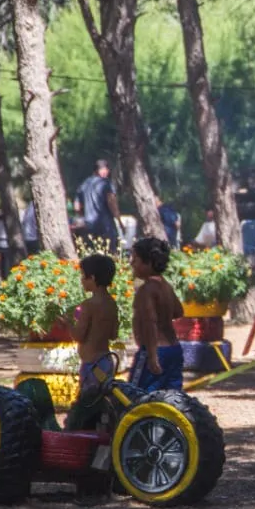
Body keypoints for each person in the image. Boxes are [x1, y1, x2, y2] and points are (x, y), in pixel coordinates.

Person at [64, 254, 120, 431]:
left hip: (91, 365)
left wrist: (67, 323)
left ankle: (85, 433)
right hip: (106, 362)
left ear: (93, 278)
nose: (82, 281)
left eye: (83, 276)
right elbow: (113, 334)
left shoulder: (88, 305)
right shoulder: (112, 304)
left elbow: (79, 336)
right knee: (103, 402)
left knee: (87, 404)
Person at [128, 237, 185, 391]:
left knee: (137, 396)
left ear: (149, 262)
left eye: (135, 259)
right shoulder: (165, 285)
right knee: (172, 397)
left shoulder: (146, 290)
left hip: (154, 351)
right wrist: (164, 313)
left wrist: (152, 356)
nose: (132, 263)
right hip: (173, 349)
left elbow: (150, 323)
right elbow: (178, 311)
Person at [73, 160, 122, 249]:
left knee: (92, 251)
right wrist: (120, 221)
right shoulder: (106, 183)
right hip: (106, 225)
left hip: (88, 225)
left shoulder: (84, 184)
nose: (106, 172)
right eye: (105, 170)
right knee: (110, 252)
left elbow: (77, 207)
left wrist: (83, 216)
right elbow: (112, 203)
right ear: (101, 170)